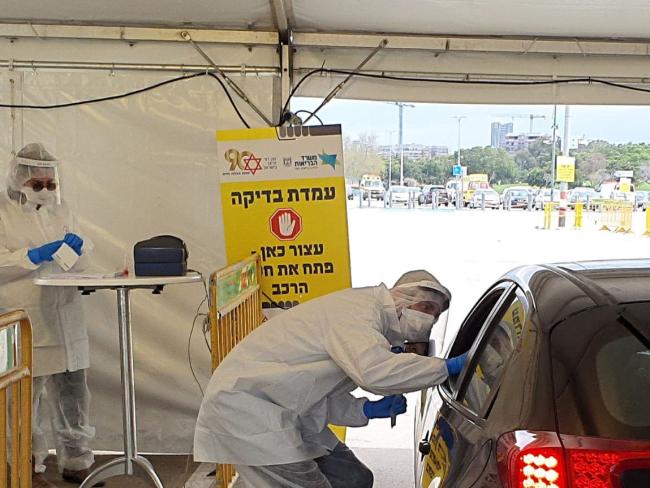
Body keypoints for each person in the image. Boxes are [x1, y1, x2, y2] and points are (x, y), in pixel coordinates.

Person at [194, 270, 468, 488]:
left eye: (436, 313)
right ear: (403, 297)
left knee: (354, 479)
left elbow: (314, 389)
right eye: (426, 306)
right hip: (248, 412)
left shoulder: (373, 327)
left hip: (284, 409)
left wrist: (364, 409)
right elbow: (374, 372)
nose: (428, 318)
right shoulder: (359, 313)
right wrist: (445, 368)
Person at [0, 143, 102, 488]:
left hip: (66, 315)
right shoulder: (2, 212)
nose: (46, 190)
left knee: (74, 390)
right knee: (24, 397)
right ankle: (23, 464)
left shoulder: (62, 210)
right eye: (37, 184)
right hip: (23, 317)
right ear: (19, 180)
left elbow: (80, 258)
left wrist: (79, 249)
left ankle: (76, 463)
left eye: (51, 183)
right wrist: (32, 255)